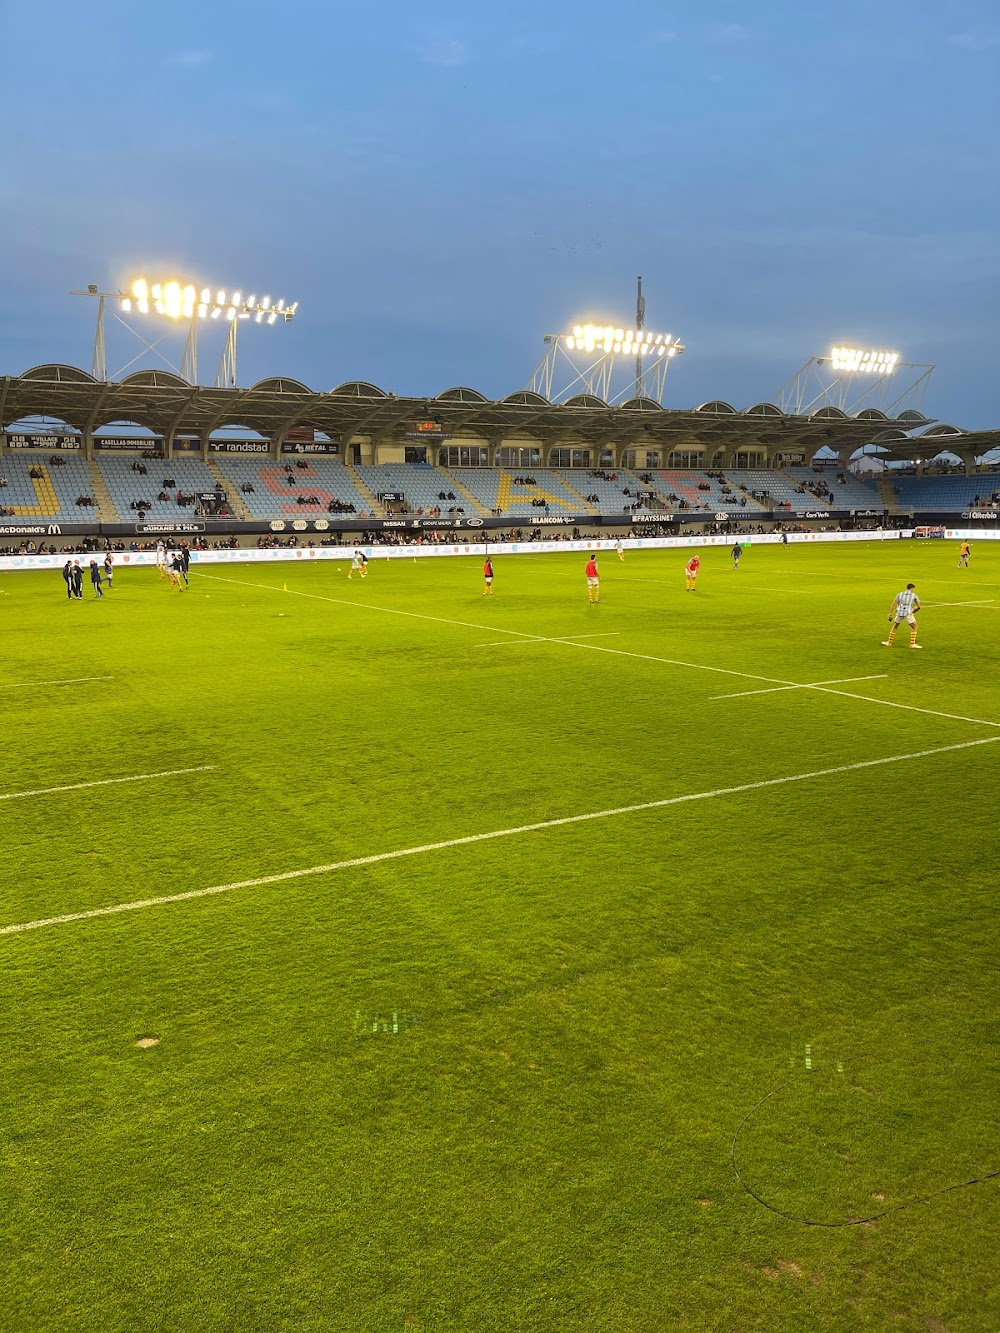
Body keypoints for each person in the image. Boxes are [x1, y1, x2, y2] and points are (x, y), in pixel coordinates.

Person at [883, 582, 922, 648]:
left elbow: (893, 604)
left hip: (899, 612)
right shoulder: (914, 595)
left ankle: (889, 643)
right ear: (912, 588)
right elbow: (919, 606)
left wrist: (890, 613)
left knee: (895, 626)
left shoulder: (899, 594)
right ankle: (912, 644)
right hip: (908, 613)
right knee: (914, 627)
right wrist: (915, 610)